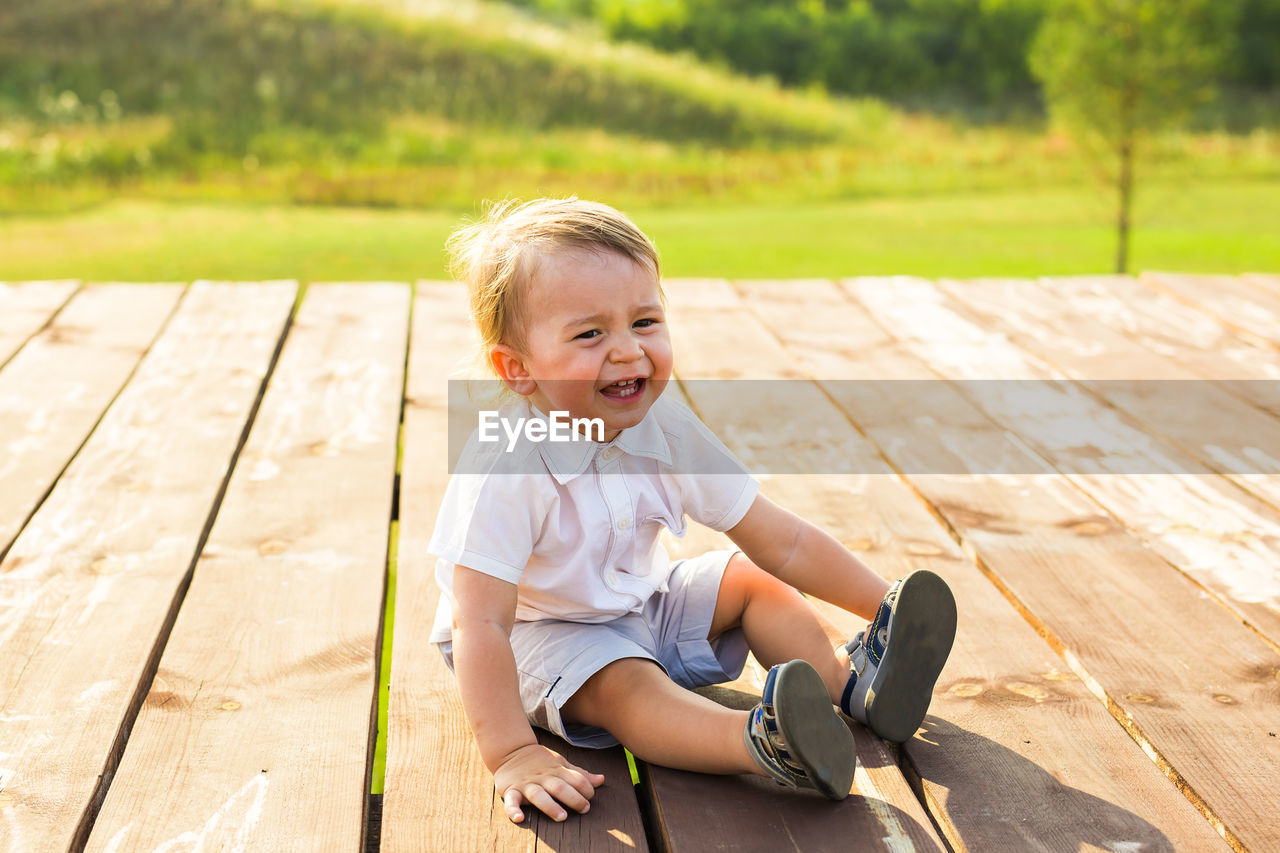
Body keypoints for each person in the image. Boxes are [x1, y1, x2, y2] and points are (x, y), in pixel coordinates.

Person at [428, 197, 957, 824]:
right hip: (537, 636)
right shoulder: (506, 463)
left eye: (645, 321)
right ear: (517, 369)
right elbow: (480, 624)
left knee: (755, 580)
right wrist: (512, 752)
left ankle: (852, 679)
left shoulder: (668, 429)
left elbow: (780, 540)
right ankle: (762, 744)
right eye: (590, 333)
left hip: (640, 599)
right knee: (630, 685)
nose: (627, 351)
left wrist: (881, 605)